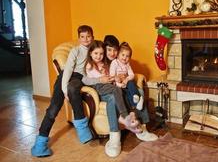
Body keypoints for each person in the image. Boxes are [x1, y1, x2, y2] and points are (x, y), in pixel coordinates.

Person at [31, 25, 94, 157]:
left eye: (88, 36)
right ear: (79, 38)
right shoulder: (75, 50)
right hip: (65, 77)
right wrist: (64, 89)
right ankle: (40, 143)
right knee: (53, 109)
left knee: (73, 89)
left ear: (92, 37)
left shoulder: (93, 50)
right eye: (82, 37)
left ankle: (82, 130)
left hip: (78, 78)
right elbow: (67, 70)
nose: (86, 39)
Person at [103, 35, 158, 143]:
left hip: (124, 85)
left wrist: (126, 79)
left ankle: (142, 127)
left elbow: (130, 74)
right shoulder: (101, 60)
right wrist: (117, 79)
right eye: (109, 50)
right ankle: (116, 135)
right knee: (119, 95)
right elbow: (107, 77)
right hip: (113, 88)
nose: (112, 53)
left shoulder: (122, 62)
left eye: (115, 50)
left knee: (140, 91)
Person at [83, 40, 142, 134]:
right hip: (98, 87)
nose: (98, 56)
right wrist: (110, 78)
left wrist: (116, 78)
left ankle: (135, 121)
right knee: (116, 90)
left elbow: (109, 76)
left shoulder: (103, 64)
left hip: (107, 85)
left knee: (121, 91)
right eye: (96, 53)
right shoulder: (90, 65)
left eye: (101, 54)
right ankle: (125, 116)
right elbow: (100, 79)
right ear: (90, 53)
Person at [109, 42, 144, 110]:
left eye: (127, 56)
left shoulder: (127, 64)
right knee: (126, 93)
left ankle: (136, 96)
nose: (125, 58)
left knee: (131, 83)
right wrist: (119, 82)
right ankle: (137, 102)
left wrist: (126, 79)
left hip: (126, 83)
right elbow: (112, 74)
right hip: (117, 84)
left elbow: (132, 75)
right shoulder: (114, 62)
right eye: (123, 55)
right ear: (118, 55)